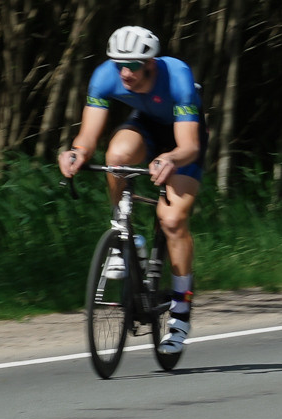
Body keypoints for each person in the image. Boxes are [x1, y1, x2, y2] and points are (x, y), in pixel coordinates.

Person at [55, 25, 204, 354]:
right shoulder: (104, 76)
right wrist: (76, 153)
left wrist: (169, 159)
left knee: (172, 220)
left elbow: (189, 146)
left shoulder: (177, 75)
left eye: (133, 65)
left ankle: (180, 312)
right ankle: (124, 233)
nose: (124, 72)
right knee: (116, 157)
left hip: (182, 139)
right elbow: (88, 137)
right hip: (146, 125)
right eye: (118, 64)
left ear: (151, 63)